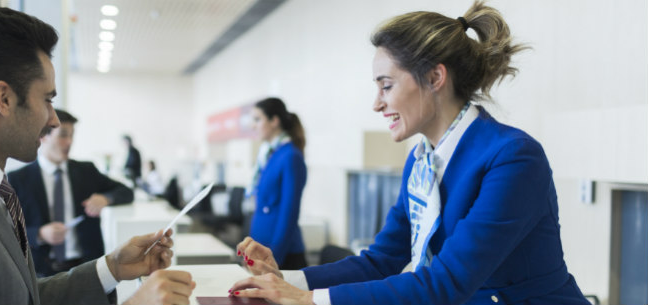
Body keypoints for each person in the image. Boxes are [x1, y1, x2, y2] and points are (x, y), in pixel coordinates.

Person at [229, 2, 589, 304]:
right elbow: (383, 259)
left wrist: (307, 300)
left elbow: (447, 283)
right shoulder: (421, 160)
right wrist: (289, 280)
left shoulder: (512, 158)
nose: (376, 103)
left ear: (435, 78)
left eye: (386, 85)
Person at [0, 8, 194, 305]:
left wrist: (110, 267)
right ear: (4, 98)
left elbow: (23, 298)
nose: (54, 120)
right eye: (47, 100)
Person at [8, 109, 134, 277]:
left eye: (72, 135)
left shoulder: (86, 171)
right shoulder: (18, 179)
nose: (69, 142)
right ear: (43, 136)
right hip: (40, 272)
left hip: (87, 267)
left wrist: (106, 198)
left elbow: (126, 191)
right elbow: (9, 227)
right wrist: (39, 234)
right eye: (63, 135)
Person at [247, 97, 308, 270]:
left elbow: (289, 213)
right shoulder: (270, 154)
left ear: (274, 121)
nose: (253, 126)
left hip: (282, 255)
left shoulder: (290, 156)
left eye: (258, 119)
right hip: (263, 248)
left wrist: (274, 258)